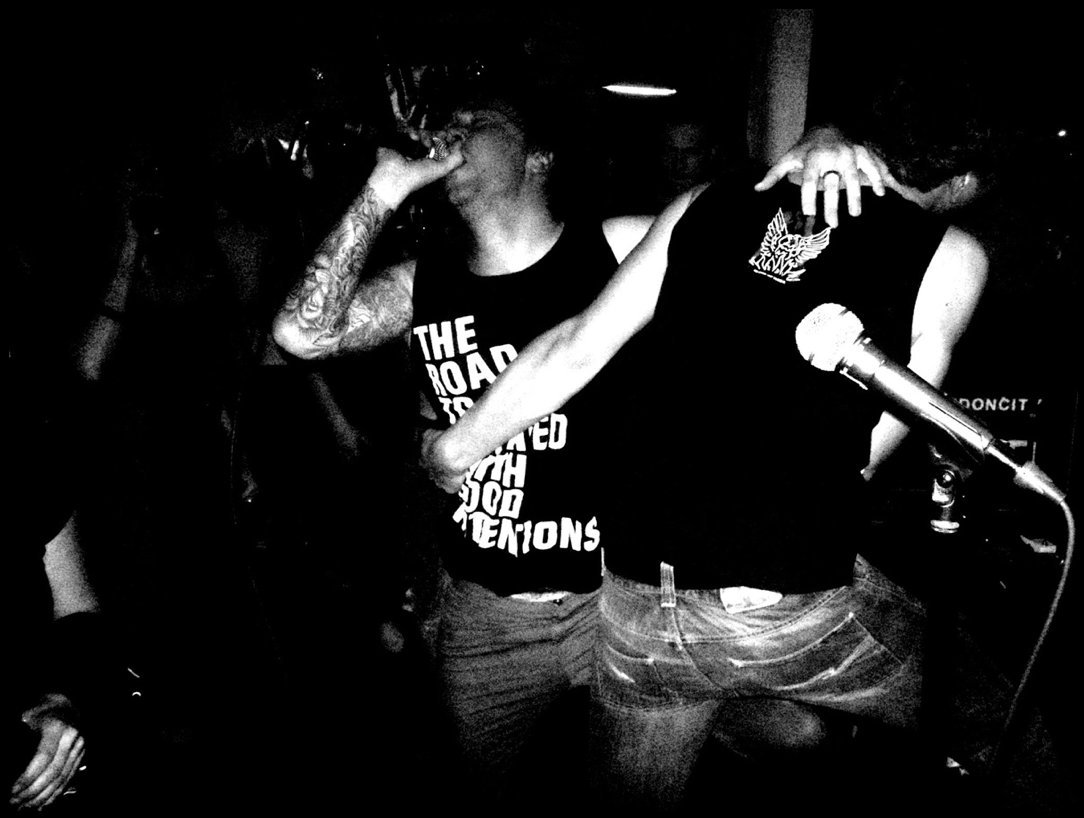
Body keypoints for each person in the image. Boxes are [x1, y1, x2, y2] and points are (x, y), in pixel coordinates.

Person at [417, 70, 1002, 812]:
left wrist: (455, 447)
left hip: (638, 601)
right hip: (777, 602)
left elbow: (574, 346)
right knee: (998, 715)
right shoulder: (953, 253)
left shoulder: (704, 203)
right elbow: (865, 456)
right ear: (965, 180)